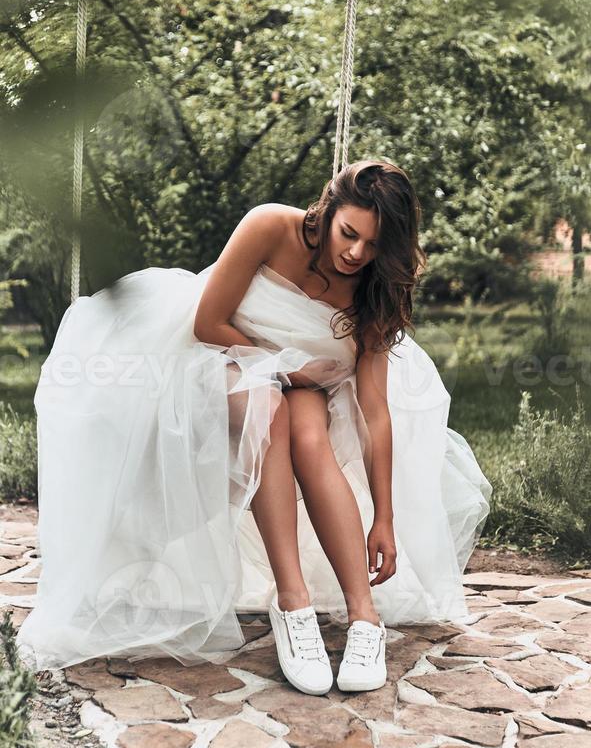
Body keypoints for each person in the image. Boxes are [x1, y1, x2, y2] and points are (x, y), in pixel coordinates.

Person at [16, 159, 492, 697]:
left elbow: (375, 411)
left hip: (311, 387)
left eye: (374, 244)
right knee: (268, 405)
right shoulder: (270, 226)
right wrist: (287, 367)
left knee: (308, 433)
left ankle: (366, 619)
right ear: (329, 210)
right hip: (216, 360)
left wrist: (384, 518)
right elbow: (206, 324)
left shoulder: (374, 293)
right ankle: (294, 605)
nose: (356, 253)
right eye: (349, 233)